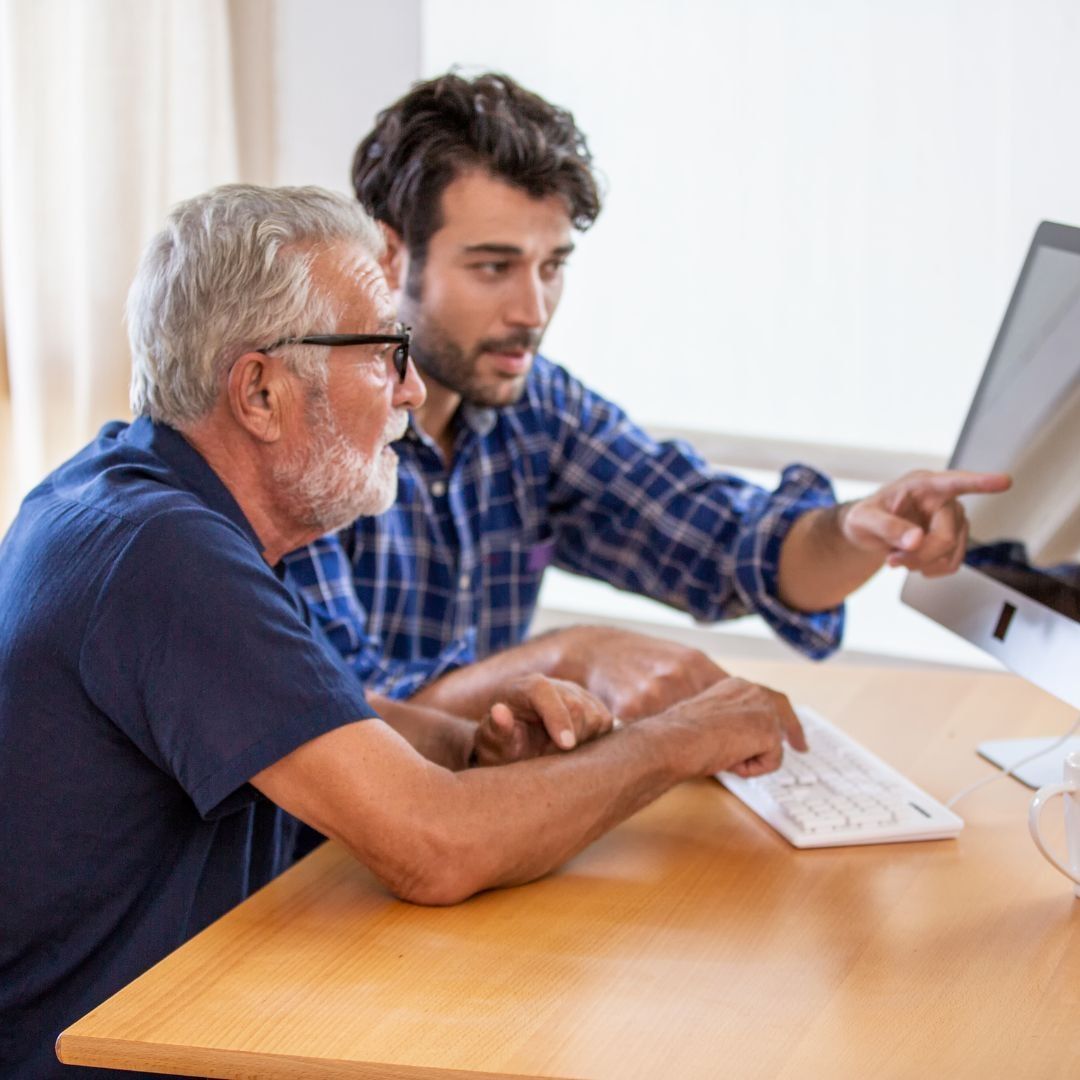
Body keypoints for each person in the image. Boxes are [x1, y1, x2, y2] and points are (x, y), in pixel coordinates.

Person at [0, 183, 808, 1079]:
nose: (415, 391)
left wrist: (466, 744)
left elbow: (298, 720)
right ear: (260, 391)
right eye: (386, 354)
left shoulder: (129, 493)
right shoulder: (165, 556)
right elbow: (437, 849)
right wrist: (684, 739)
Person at [283, 71, 1010, 721]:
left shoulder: (536, 411)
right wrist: (570, 657)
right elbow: (346, 716)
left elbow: (732, 547)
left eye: (553, 266)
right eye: (494, 267)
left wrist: (856, 527)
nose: (533, 310)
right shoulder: (305, 436)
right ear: (388, 254)